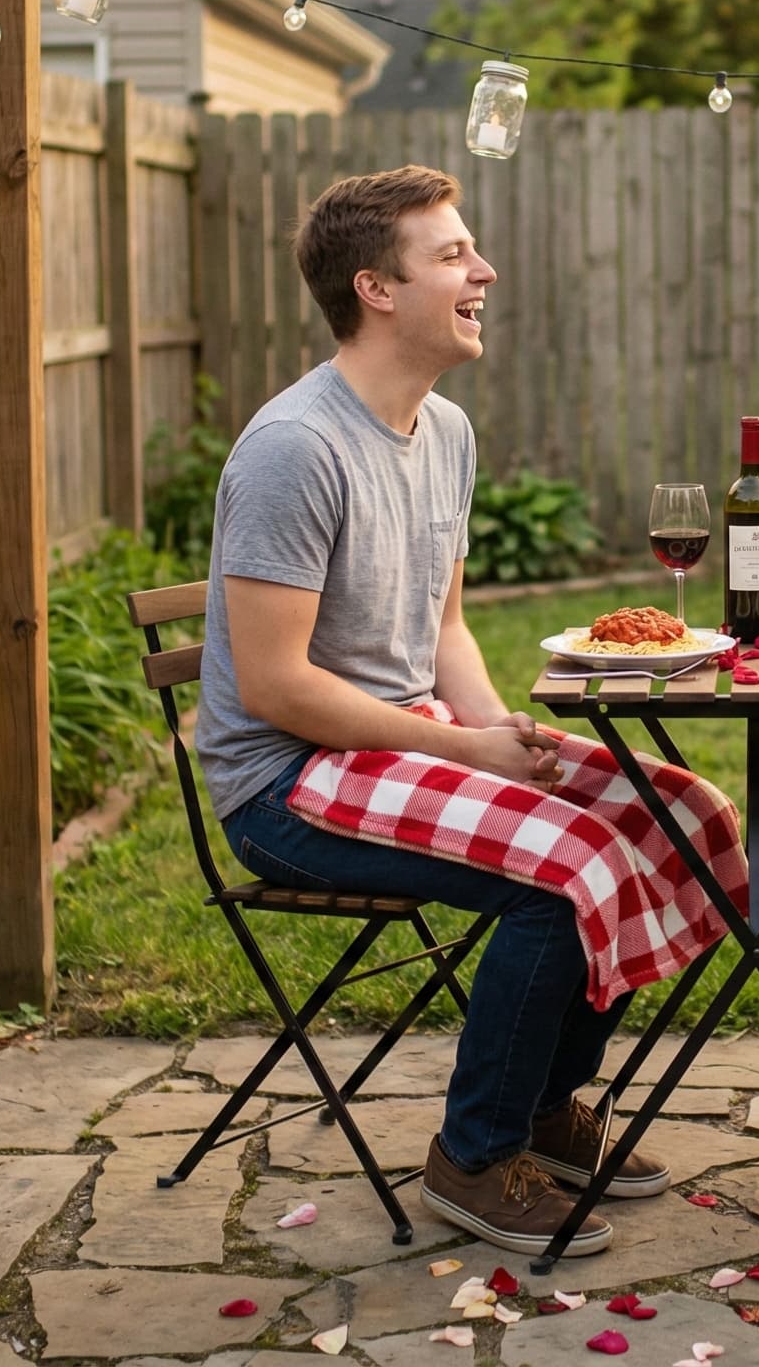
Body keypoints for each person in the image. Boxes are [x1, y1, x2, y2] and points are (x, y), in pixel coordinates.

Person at [202, 165, 692, 1256]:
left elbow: (442, 628)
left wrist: (506, 738)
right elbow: (277, 687)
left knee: (662, 824)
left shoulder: (446, 431)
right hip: (287, 783)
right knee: (561, 874)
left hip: (397, 745)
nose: (484, 272)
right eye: (452, 256)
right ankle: (474, 1158)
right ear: (376, 288)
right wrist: (461, 747)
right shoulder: (296, 448)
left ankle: (546, 1109)